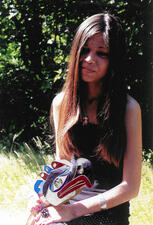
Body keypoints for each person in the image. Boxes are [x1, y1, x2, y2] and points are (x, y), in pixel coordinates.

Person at [27, 13, 142, 225]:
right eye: (85, 50)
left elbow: (131, 187)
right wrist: (46, 197)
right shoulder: (61, 104)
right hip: (69, 207)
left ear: (114, 60)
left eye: (102, 53)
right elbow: (63, 168)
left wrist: (74, 211)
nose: (89, 59)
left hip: (108, 213)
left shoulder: (129, 109)